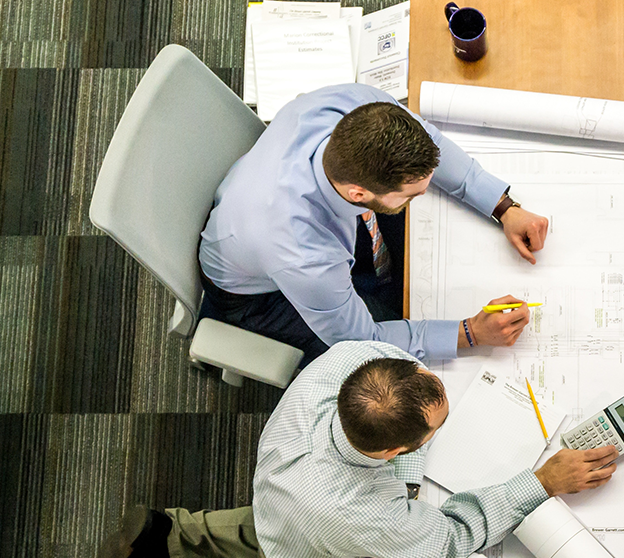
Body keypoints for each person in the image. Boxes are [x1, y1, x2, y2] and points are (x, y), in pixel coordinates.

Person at [88, 341, 618, 558]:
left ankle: (170, 535)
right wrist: (541, 481)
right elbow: (451, 542)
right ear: (391, 453)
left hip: (284, 501)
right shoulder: (355, 511)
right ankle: (179, 543)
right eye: (436, 429)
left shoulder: (351, 362)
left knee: (277, 528)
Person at [199, 83, 551, 365]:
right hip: (257, 295)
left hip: (258, 207)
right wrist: (470, 333)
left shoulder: (356, 104)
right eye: (412, 194)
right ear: (358, 193)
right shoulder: (303, 253)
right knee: (391, 365)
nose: (425, 193)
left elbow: (433, 143)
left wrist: (503, 206)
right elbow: (362, 341)